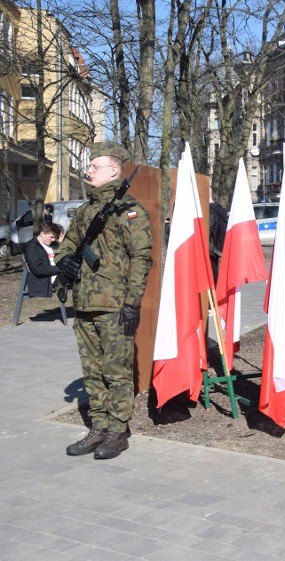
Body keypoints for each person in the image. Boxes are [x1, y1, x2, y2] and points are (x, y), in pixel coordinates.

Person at [56, 141, 153, 460]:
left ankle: (117, 431)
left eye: (94, 166)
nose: (88, 171)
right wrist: (65, 261)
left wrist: (132, 303)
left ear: (113, 170)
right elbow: (65, 245)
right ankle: (98, 427)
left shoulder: (128, 209)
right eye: (89, 166)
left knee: (116, 370)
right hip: (83, 303)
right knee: (92, 370)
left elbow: (141, 257)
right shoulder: (85, 211)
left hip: (114, 306)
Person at [22, 221, 63, 297]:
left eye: (55, 237)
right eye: (51, 237)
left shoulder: (53, 245)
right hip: (47, 281)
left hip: (59, 276)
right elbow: (39, 270)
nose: (53, 239)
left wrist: (61, 242)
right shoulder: (32, 248)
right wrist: (59, 269)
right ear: (42, 234)